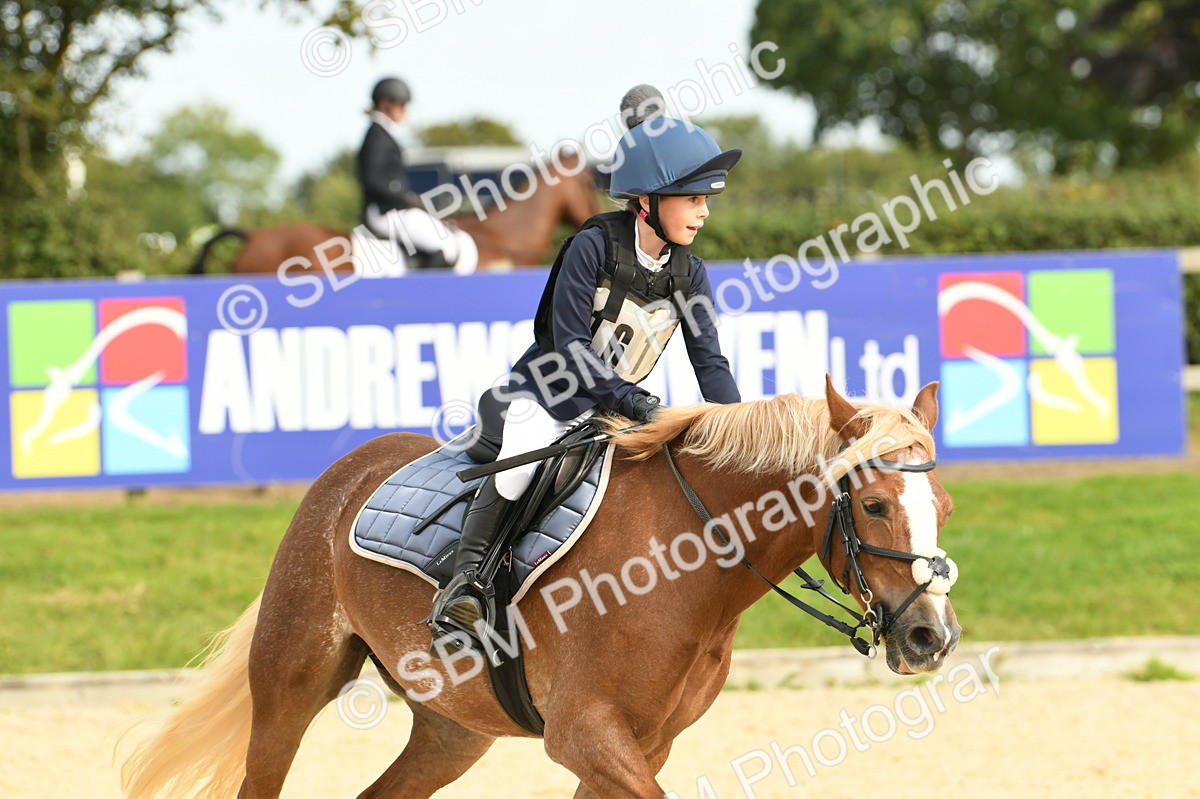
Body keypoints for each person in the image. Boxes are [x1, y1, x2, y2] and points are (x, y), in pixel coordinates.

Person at [427, 87, 742, 655]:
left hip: (608, 413)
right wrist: (636, 400)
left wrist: (741, 427)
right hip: (536, 399)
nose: (704, 211)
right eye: (693, 198)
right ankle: (464, 586)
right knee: (524, 455)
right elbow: (569, 348)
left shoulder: (690, 275)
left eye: (706, 200)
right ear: (648, 199)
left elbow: (710, 364)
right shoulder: (592, 246)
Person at [356, 77, 478, 274]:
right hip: (384, 212)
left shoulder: (382, 134)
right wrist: (405, 197)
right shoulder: (377, 136)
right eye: (402, 105)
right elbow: (373, 180)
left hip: (391, 209)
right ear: (385, 104)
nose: (405, 111)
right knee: (445, 246)